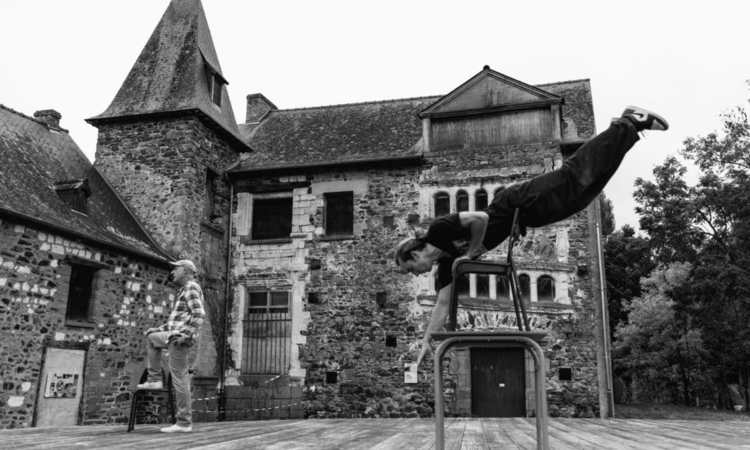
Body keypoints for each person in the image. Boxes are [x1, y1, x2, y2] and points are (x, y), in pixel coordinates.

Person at [395, 106, 668, 366]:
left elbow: (481, 218)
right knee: (582, 195)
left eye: (411, 269)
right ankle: (627, 132)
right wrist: (426, 341)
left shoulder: (439, 230)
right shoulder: (445, 265)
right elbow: (442, 304)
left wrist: (470, 252)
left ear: (415, 253)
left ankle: (626, 122)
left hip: (518, 201)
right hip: (526, 217)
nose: (416, 274)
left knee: (574, 177)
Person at [137, 259, 205, 433]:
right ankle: (154, 380)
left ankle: (183, 423)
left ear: (186, 271)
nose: (173, 271)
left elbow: (199, 313)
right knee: (152, 337)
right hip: (173, 335)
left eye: (176, 268)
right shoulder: (184, 290)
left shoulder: (190, 287)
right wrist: (158, 329)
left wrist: (187, 335)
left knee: (180, 379)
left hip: (178, 340)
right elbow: (175, 322)